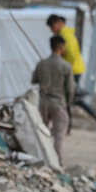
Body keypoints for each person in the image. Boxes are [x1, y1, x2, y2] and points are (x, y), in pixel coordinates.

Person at [45, 14, 96, 137]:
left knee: (73, 100)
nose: (52, 30)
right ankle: (69, 127)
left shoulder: (66, 37)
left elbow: (70, 55)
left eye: (52, 26)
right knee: (68, 100)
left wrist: (61, 67)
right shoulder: (67, 35)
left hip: (71, 72)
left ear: (58, 23)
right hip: (73, 70)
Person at [31, 36, 74, 166]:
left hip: (43, 104)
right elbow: (70, 89)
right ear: (61, 47)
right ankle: (57, 162)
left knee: (42, 133)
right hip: (59, 104)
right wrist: (68, 103)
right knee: (59, 135)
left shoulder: (42, 64)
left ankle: (41, 158)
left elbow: (34, 80)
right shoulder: (66, 66)